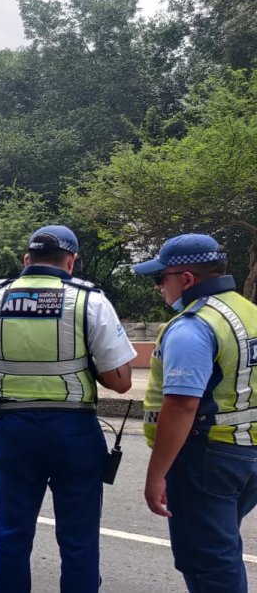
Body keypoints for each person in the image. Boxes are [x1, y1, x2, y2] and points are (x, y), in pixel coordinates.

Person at [0, 225, 135, 592]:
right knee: (79, 540)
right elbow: (120, 381)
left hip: (14, 431)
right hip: (74, 433)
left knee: (12, 535)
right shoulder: (90, 301)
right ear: (70, 262)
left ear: (27, 260)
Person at [134, 233, 257, 591]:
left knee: (209, 564)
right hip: (245, 455)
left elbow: (182, 404)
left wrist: (157, 473)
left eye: (161, 278)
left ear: (186, 279)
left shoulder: (194, 326)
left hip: (206, 457)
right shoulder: (248, 312)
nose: (159, 287)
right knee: (221, 551)